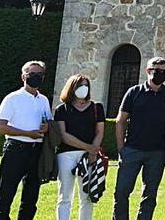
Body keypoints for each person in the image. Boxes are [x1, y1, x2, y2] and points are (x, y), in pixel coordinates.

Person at [113, 56, 165, 220]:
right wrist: (121, 147)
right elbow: (120, 120)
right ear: (148, 71)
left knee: (150, 194)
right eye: (157, 71)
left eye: (164, 71)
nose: (161, 74)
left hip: (157, 152)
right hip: (132, 149)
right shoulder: (134, 92)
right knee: (122, 191)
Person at [0, 60, 52, 220]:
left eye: (40, 74)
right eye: (32, 74)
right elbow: (0, 127)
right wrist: (27, 134)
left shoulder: (44, 100)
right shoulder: (12, 98)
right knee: (6, 193)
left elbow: (48, 123)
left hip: (36, 152)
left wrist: (47, 128)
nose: (36, 77)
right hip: (15, 149)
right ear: (23, 76)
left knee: (31, 196)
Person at [53, 73, 105, 220]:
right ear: (72, 87)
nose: (83, 88)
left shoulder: (97, 108)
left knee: (87, 194)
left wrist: (92, 151)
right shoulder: (62, 109)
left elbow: (99, 132)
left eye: (85, 85)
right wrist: (88, 147)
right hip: (66, 154)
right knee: (65, 195)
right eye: (80, 85)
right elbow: (64, 135)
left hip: (89, 156)